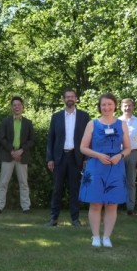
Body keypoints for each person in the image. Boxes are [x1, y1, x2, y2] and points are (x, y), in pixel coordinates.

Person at [79, 93, 130, 248]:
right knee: (95, 203)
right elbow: (83, 148)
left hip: (115, 167)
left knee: (112, 204)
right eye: (103, 105)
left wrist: (119, 155)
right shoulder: (92, 124)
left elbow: (128, 148)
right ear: (99, 107)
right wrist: (98, 155)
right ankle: (95, 236)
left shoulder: (122, 124)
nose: (106, 107)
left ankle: (107, 237)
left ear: (115, 105)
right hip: (96, 167)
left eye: (109, 104)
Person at [46, 89, 90, 226]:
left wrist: (86, 158)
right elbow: (50, 139)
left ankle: (75, 219)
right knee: (57, 189)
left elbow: (89, 139)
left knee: (74, 189)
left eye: (72, 96)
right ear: (63, 99)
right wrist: (50, 158)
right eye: (67, 97)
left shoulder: (84, 116)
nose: (70, 99)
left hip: (76, 158)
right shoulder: (56, 116)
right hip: (59, 158)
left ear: (76, 98)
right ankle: (53, 219)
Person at [0, 96, 34, 213]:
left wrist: (21, 150)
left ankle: (26, 207)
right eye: (14, 105)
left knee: (24, 183)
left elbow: (32, 140)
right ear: (12, 107)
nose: (17, 107)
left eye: (19, 105)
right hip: (8, 155)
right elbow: (1, 138)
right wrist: (12, 151)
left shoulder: (28, 123)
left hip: (22, 156)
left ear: (22, 107)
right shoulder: (5, 121)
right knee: (3, 182)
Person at [118, 98, 137, 215]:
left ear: (133, 107)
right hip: (118, 154)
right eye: (125, 106)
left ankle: (130, 208)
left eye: (130, 106)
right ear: (121, 107)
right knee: (116, 180)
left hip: (133, 153)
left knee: (131, 182)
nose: (127, 108)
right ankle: (114, 205)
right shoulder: (115, 121)